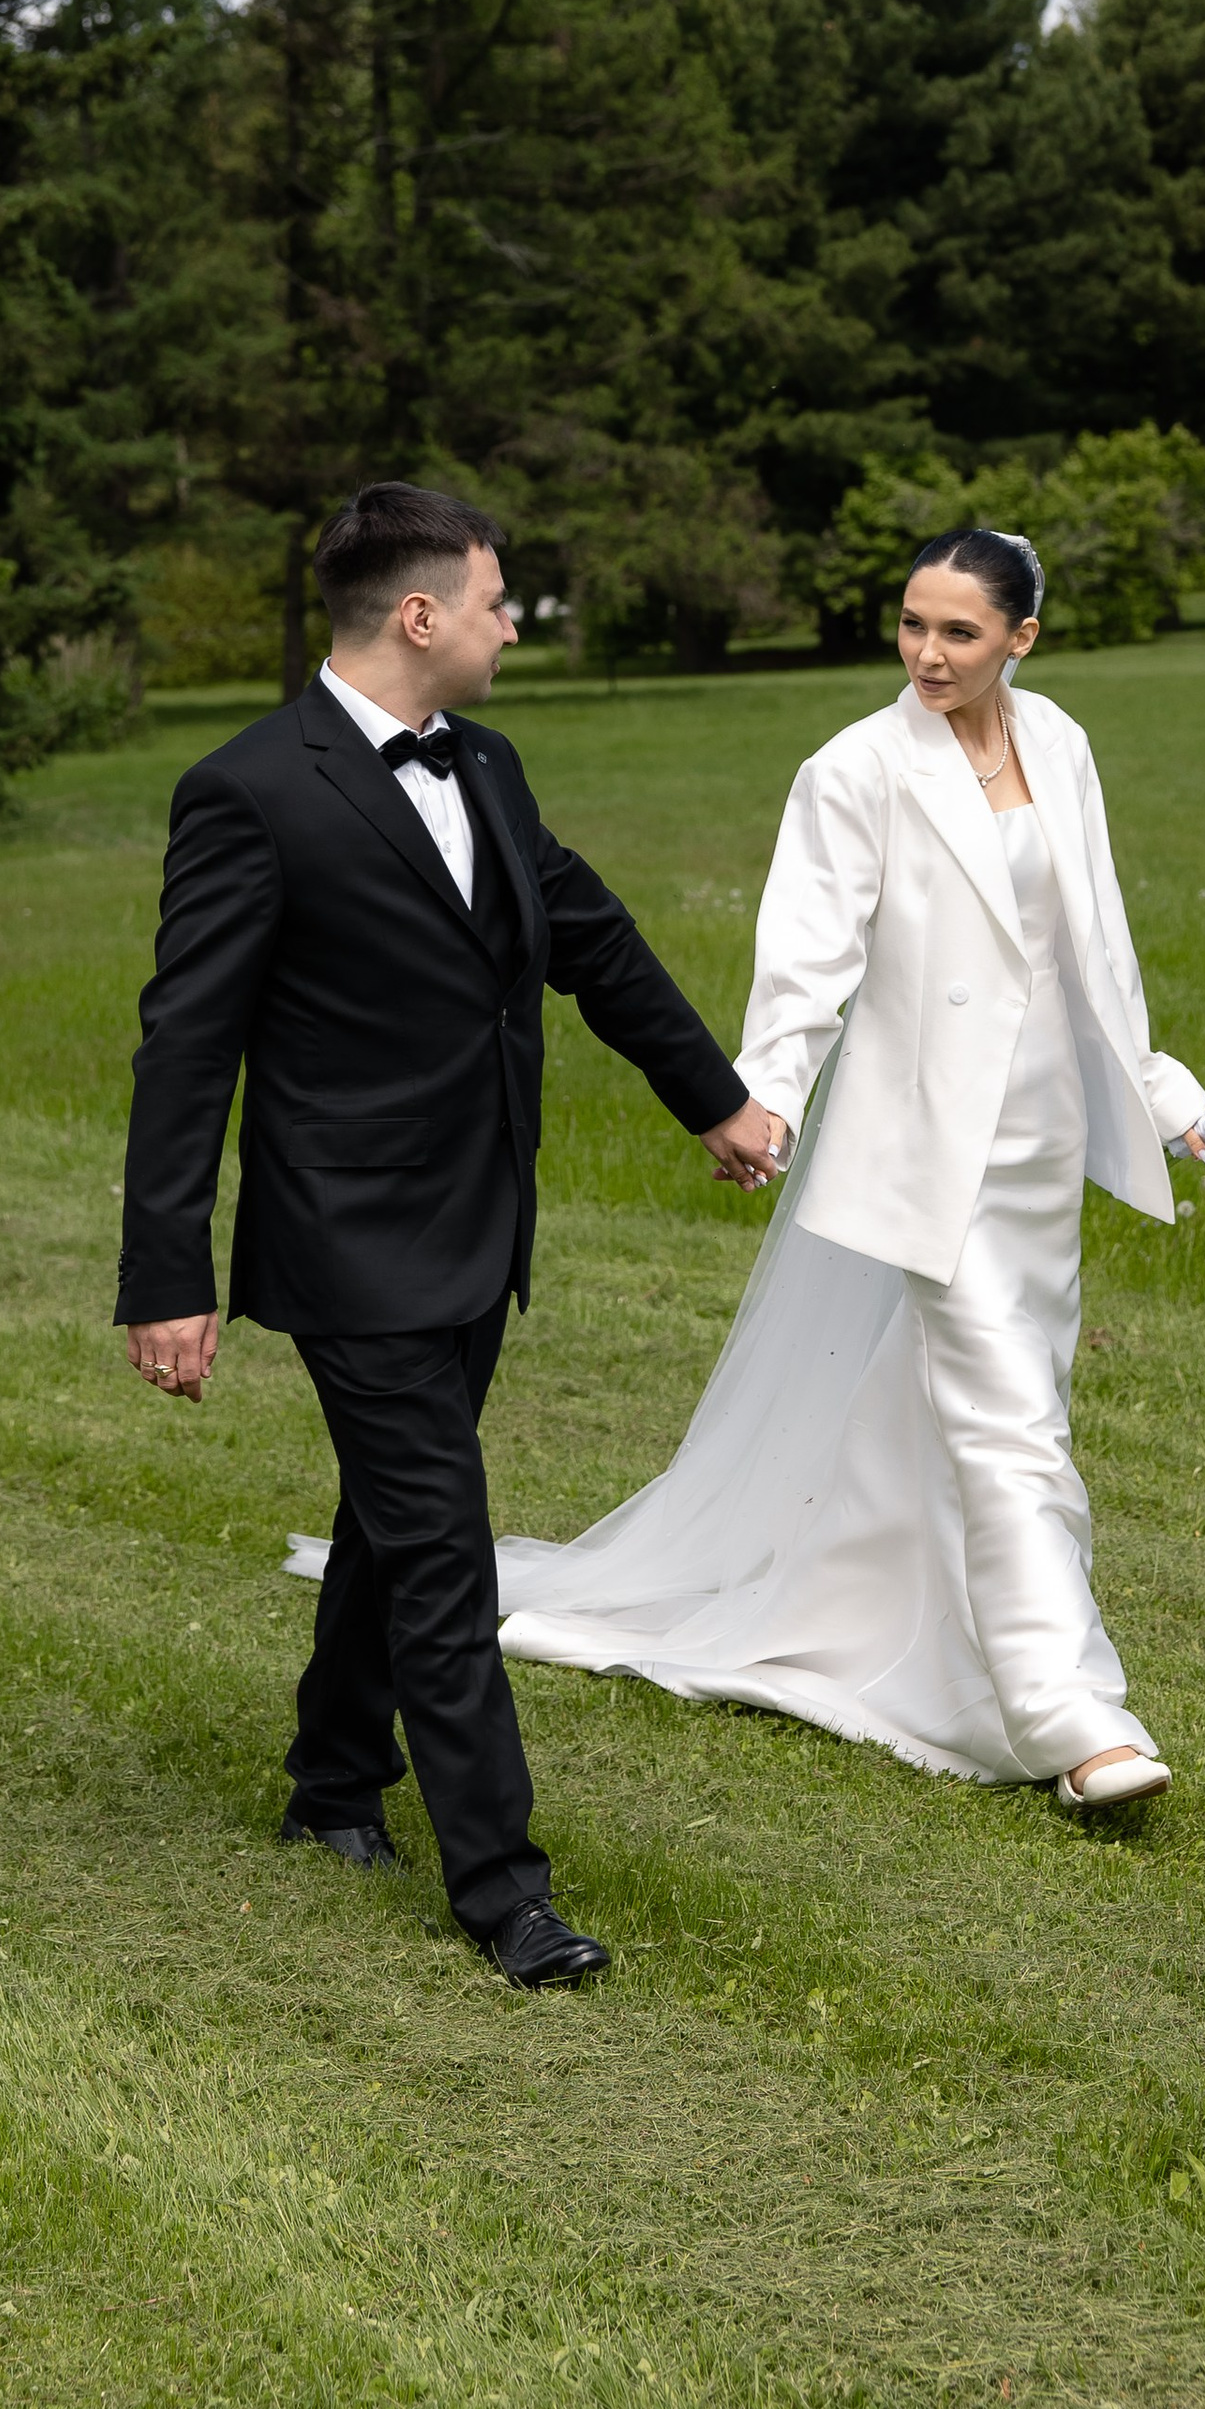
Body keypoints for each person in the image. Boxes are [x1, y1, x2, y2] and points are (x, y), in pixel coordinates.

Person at [115, 481, 782, 1986]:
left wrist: (715, 1100)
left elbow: (587, 937)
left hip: (481, 1231)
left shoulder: (486, 764)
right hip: (350, 1244)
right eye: (495, 600)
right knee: (443, 1552)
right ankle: (504, 1893)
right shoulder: (249, 791)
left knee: (393, 1522)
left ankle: (332, 1783)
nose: (510, 624)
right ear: (419, 615)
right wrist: (171, 1276)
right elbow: (185, 1048)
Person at [490, 527, 1205, 1809]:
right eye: (911, 625)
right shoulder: (854, 769)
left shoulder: (1062, 745)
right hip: (926, 1139)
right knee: (1008, 1419)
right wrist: (763, 1094)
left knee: (987, 1399)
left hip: (1042, 1139)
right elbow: (807, 956)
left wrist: (1157, 1097)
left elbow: (1095, 940)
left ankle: (871, 1611)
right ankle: (1070, 1719)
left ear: (1021, 640)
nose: (927, 654)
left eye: (960, 633)